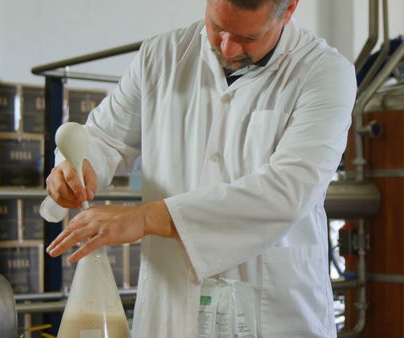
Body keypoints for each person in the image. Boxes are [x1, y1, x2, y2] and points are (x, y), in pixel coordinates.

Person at [42, 0, 356, 336]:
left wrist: (145, 217)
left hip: (273, 313)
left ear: (289, 9)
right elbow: (105, 135)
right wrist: (77, 166)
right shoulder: (161, 55)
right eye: (217, 28)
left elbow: (289, 190)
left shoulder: (323, 72)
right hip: (172, 304)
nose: (227, 47)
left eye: (247, 38)